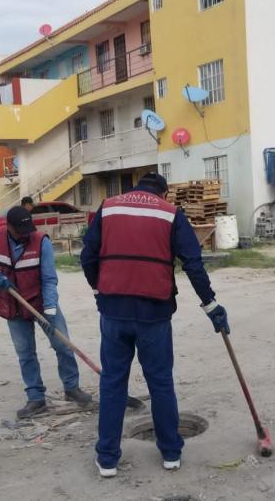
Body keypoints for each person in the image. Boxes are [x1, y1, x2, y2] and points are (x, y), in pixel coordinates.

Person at [80, 172, 229, 477]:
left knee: (112, 384)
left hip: (114, 312)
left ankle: (107, 459)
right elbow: (193, 263)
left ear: (136, 188)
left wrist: (100, 290)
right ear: (163, 193)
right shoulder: (170, 214)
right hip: (154, 313)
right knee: (160, 382)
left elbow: (87, 256)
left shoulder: (108, 207)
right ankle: (171, 453)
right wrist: (210, 304)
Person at [0, 206, 93, 419]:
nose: (25, 234)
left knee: (63, 346)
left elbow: (49, 279)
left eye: (27, 229)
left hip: (40, 301)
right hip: (13, 303)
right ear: (8, 226)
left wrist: (51, 309)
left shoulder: (41, 240)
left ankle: (72, 388)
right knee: (26, 354)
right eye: (20, 230)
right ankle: (36, 398)